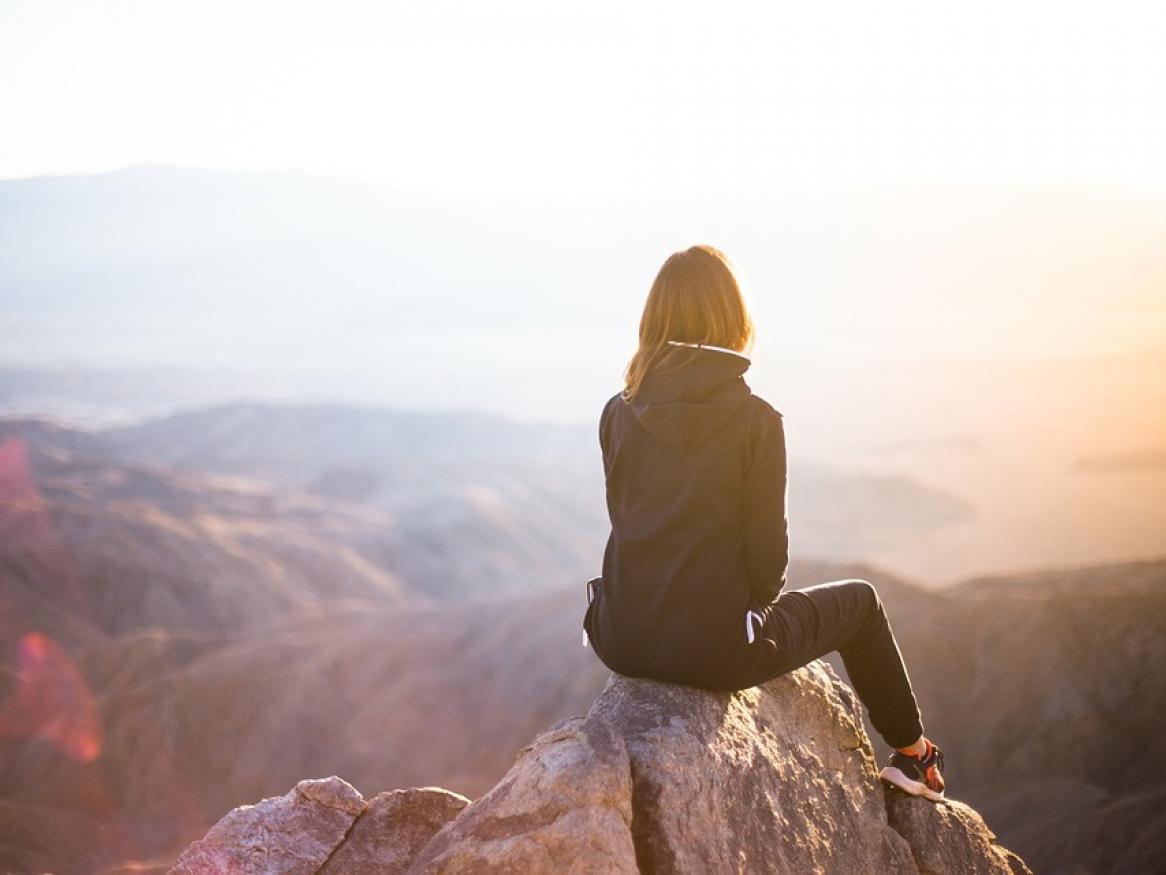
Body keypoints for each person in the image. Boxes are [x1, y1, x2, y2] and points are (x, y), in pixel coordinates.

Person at [581, 244, 946, 802]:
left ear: (654, 319)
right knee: (863, 605)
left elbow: (629, 520)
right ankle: (914, 756)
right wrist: (737, 618)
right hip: (716, 652)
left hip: (618, 636)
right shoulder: (756, 421)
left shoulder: (617, 409)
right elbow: (768, 567)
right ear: (732, 318)